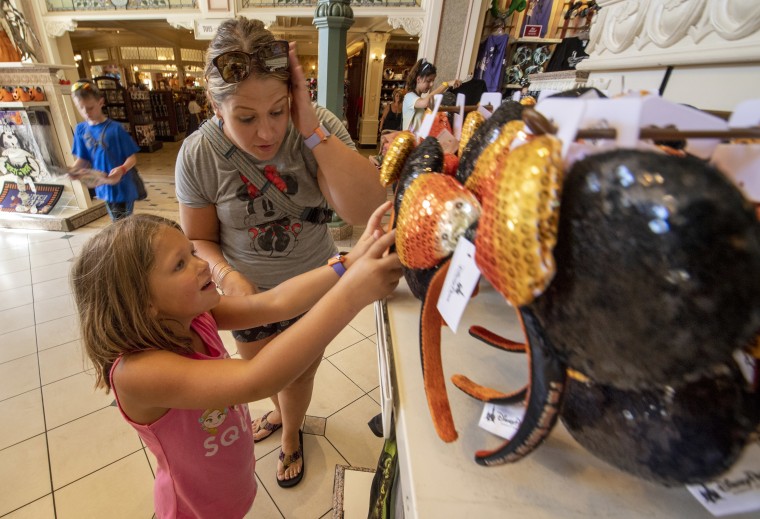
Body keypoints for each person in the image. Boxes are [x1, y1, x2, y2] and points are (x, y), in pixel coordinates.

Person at [71, 207, 401, 518]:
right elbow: (258, 379)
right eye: (180, 264)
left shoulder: (196, 315)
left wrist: (349, 261)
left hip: (231, 480)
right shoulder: (138, 373)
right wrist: (353, 294)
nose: (202, 265)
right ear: (142, 303)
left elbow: (275, 301)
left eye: (193, 252)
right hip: (193, 508)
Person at [174, 17, 387, 487]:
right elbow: (200, 240)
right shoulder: (197, 155)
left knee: (297, 376)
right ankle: (281, 415)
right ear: (215, 106)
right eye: (246, 118)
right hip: (245, 295)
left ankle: (291, 432)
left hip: (315, 282)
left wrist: (310, 128)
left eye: (278, 110)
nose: (267, 132)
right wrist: (228, 277)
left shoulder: (316, 127)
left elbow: (363, 207)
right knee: (263, 374)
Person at [70, 79, 140, 221]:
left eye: (90, 108)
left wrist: (122, 169)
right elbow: (83, 158)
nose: (86, 112)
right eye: (80, 108)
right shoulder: (80, 130)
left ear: (100, 102)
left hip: (122, 187)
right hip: (103, 186)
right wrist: (72, 171)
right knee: (117, 223)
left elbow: (132, 158)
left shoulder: (116, 129)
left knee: (121, 224)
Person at [402, 59, 461, 133]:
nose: (431, 84)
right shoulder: (409, 97)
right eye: (428, 81)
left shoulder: (419, 100)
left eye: (433, 81)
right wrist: (445, 84)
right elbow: (425, 102)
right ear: (418, 79)